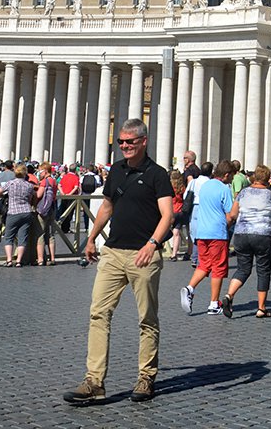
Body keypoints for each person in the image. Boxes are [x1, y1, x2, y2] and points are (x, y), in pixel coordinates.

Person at [64, 118, 173, 405]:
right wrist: (92, 238)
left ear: (143, 142)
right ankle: (94, 380)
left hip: (143, 255)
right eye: (121, 142)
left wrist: (153, 244)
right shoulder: (116, 170)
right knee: (98, 314)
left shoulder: (157, 175)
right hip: (112, 252)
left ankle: (146, 377)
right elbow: (108, 206)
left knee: (146, 318)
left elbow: (167, 215)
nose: (124, 146)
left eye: (129, 142)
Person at [222, 164, 271, 317]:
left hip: (242, 234)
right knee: (263, 270)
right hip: (262, 234)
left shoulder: (243, 193)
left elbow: (233, 214)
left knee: (243, 269)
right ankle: (261, 308)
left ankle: (229, 295)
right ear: (267, 179)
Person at [181, 161, 235, 315]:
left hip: (201, 231)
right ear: (226, 175)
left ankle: (190, 288)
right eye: (231, 176)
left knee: (204, 265)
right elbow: (230, 214)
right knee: (218, 267)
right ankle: (213, 303)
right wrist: (230, 223)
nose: (231, 179)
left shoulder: (205, 186)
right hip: (217, 232)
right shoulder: (224, 189)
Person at [0, 164, 38, 267]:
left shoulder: (10, 183)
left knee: (9, 237)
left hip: (13, 212)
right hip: (26, 212)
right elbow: (35, 196)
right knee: (23, 238)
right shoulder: (29, 185)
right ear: (25, 173)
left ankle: (9, 260)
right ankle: (19, 261)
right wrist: (33, 205)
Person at [34, 163, 59, 265]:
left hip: (43, 209)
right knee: (51, 235)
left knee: (41, 233)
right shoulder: (54, 181)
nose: (39, 173)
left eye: (40, 171)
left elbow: (39, 194)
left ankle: (40, 259)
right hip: (51, 208)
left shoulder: (44, 181)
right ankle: (52, 258)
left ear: (45, 171)